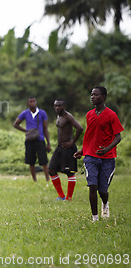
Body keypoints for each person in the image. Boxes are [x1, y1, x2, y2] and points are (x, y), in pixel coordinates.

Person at [74, 86, 123, 221]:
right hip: (90, 155)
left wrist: (107, 149)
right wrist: (83, 151)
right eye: (91, 94)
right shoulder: (89, 115)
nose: (92, 97)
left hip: (107, 157)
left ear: (103, 97)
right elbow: (90, 136)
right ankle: (95, 218)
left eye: (95, 95)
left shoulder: (111, 115)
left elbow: (118, 137)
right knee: (92, 185)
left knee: (103, 190)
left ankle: (105, 204)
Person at [49, 99, 84, 201]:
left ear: (64, 106)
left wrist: (72, 142)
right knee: (51, 169)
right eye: (55, 106)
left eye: (59, 106)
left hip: (68, 148)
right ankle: (61, 196)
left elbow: (80, 128)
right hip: (60, 147)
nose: (57, 108)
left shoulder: (68, 116)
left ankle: (69, 198)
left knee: (69, 172)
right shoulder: (58, 116)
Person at [14, 97, 51, 181]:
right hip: (29, 140)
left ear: (36, 102)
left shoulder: (42, 113)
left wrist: (48, 142)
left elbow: (45, 128)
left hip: (40, 139)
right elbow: (16, 124)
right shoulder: (25, 113)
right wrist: (26, 131)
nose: (32, 103)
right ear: (28, 103)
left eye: (34, 101)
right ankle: (34, 180)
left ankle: (47, 179)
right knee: (31, 161)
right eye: (30, 101)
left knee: (44, 161)